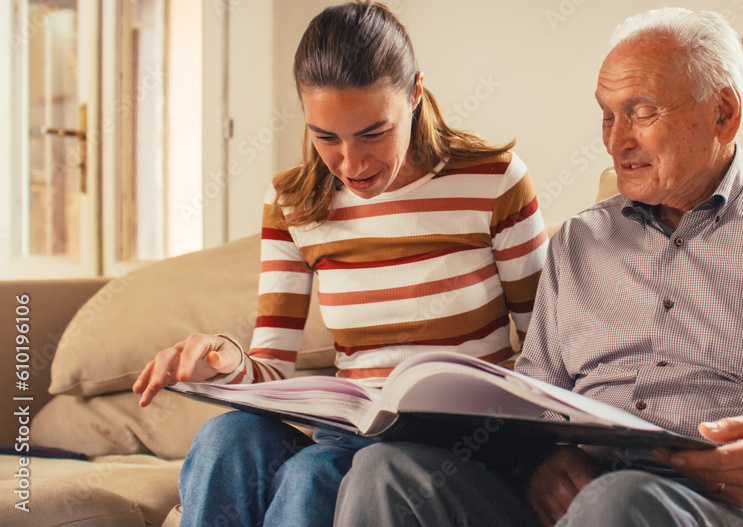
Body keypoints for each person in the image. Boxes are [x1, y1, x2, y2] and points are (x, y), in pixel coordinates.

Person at [333, 6, 743, 527]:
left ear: (723, 113)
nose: (615, 142)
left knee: (618, 504)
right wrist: (537, 461)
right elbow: (532, 403)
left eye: (641, 113)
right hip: (588, 500)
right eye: (606, 115)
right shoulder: (580, 243)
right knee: (385, 473)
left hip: (738, 509)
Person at [130, 2, 547, 526]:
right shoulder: (293, 204)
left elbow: (546, 354)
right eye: (325, 137)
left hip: (462, 447)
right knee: (226, 435)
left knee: (313, 477)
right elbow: (272, 371)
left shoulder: (495, 182)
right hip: (348, 432)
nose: (352, 164)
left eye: (373, 133)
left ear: (415, 94)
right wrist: (227, 362)